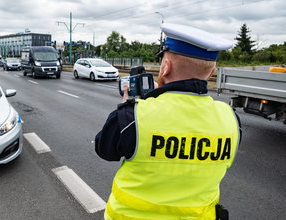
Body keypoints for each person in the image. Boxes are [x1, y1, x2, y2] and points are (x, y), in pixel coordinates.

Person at [95, 23, 242, 220]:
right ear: (212, 71)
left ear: (165, 67)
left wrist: (127, 107)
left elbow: (104, 149)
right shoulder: (231, 119)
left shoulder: (134, 115)